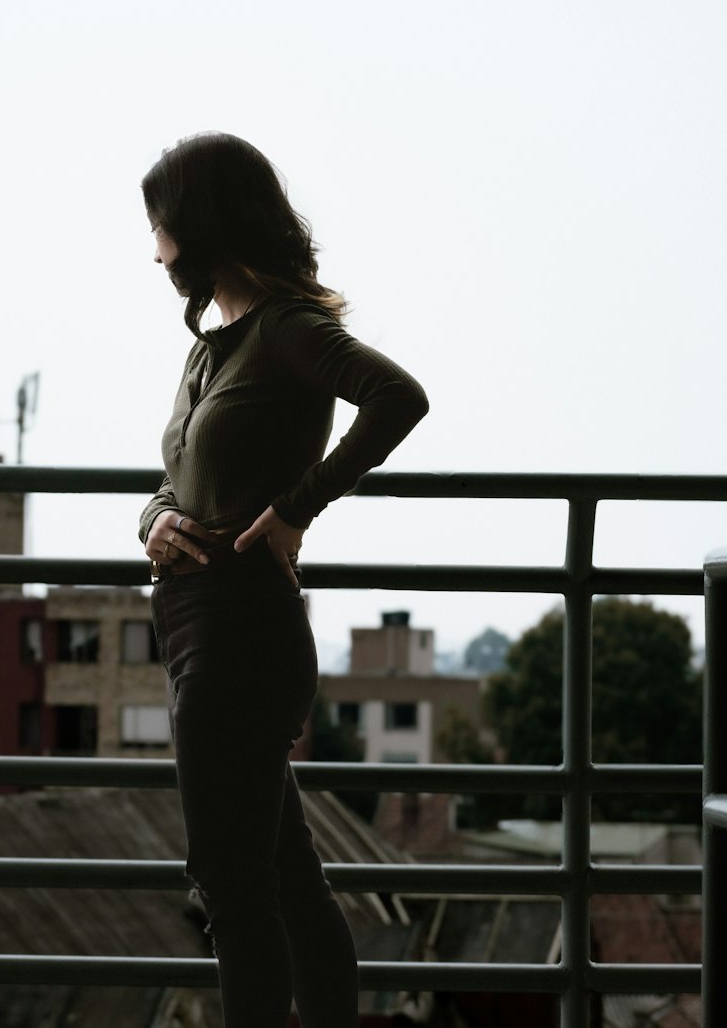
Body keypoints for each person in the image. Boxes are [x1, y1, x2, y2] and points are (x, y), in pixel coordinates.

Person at [139, 132, 428, 1028]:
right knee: (286, 878)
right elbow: (174, 474)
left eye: (162, 229)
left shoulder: (289, 330)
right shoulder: (207, 348)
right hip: (194, 626)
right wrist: (154, 520)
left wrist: (301, 506)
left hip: (240, 631)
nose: (155, 252)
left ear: (204, 225)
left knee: (233, 891)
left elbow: (398, 397)